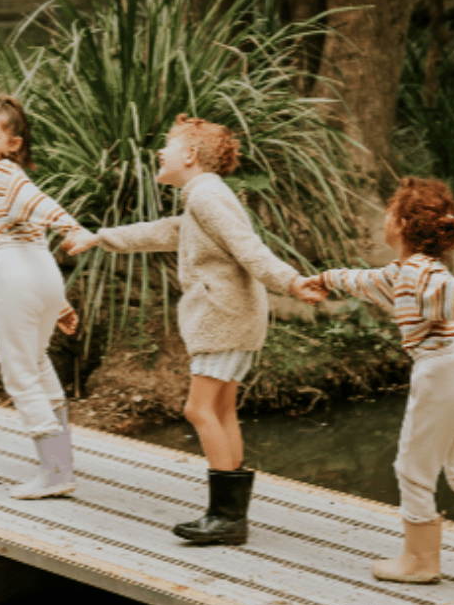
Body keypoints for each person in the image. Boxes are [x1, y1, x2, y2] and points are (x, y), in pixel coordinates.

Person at [64, 115, 324, 545]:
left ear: (189, 155)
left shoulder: (206, 195)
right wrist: (101, 237)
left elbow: (247, 247)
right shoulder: (202, 196)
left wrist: (291, 282)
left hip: (224, 316)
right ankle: (230, 516)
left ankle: (225, 518)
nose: (159, 152)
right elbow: (165, 231)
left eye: (167, 145)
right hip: (234, 314)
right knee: (221, 410)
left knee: (198, 409)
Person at [300, 177, 454, 594]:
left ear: (399, 223)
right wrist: (325, 279)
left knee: (413, 469)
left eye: (389, 209)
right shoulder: (403, 274)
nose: (384, 215)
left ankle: (419, 560)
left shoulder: (419, 278)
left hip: (443, 373)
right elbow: (363, 280)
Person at [0, 95, 94, 500]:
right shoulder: (5, 181)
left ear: (14, 143)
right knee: (37, 364)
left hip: (14, 274)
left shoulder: (5, 175)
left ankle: (55, 472)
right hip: (40, 274)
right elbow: (32, 232)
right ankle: (61, 466)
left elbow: (44, 207)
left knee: (19, 375)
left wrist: (69, 226)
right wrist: (58, 302)